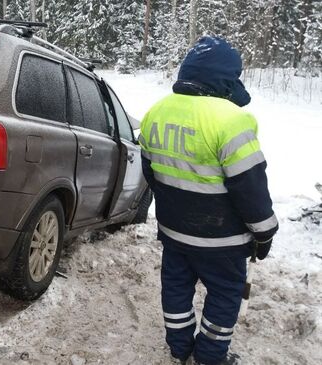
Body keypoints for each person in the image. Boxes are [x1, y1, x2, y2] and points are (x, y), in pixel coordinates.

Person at [138, 36, 279, 365]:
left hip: (173, 232)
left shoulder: (156, 111)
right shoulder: (231, 120)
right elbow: (250, 187)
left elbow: (151, 173)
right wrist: (265, 233)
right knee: (225, 293)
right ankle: (210, 356)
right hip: (223, 241)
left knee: (175, 288)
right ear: (226, 77)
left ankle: (179, 348)